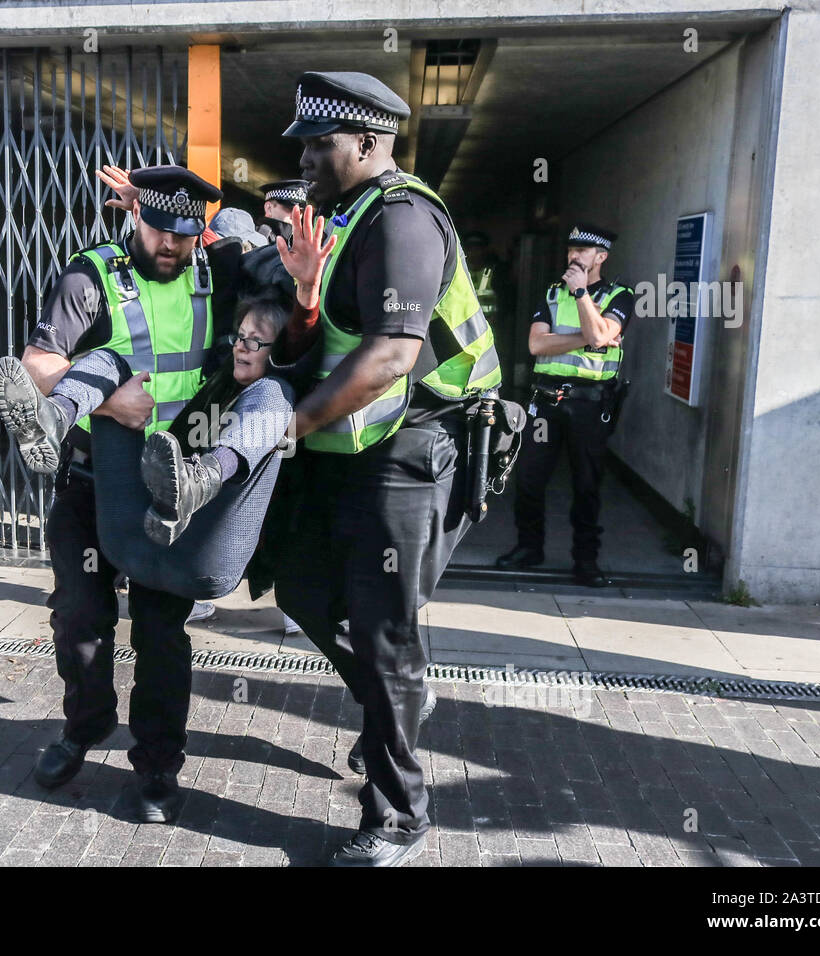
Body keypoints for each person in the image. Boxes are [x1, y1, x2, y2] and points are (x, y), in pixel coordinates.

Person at [271, 71, 502, 866]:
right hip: (351, 450)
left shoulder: (403, 219)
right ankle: (398, 699)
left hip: (414, 450)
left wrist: (287, 427)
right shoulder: (343, 215)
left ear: (368, 143)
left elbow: (392, 355)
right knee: (301, 588)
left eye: (318, 142)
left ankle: (398, 815)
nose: (304, 155)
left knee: (384, 633)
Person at [0, 164, 230, 825]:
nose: (170, 247)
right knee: (80, 616)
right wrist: (113, 400)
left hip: (169, 487)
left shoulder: (216, 271)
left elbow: (269, 260)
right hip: (91, 476)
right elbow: (38, 363)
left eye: (184, 235)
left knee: (161, 632)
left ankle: (156, 770)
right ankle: (85, 726)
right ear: (134, 219)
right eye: (158, 230)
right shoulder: (89, 274)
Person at [495, 224, 634, 588]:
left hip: (590, 405)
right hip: (546, 401)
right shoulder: (553, 293)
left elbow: (602, 334)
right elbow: (537, 346)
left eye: (582, 251)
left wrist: (583, 296)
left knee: (586, 484)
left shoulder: (620, 295)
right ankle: (529, 548)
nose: (573, 256)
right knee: (528, 479)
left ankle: (585, 561)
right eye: (571, 249)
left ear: (600, 257)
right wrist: (588, 339)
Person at [256, 179, 309, 244]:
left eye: (300, 212)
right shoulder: (252, 237)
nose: (296, 216)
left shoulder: (301, 245)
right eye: (290, 209)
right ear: (269, 208)